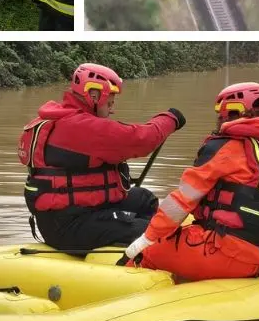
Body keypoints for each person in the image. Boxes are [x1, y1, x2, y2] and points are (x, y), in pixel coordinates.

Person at [124, 83, 259, 281]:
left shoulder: (226, 147)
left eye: (221, 115)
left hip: (224, 253)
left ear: (228, 113)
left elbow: (181, 202)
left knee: (146, 255)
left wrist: (145, 240)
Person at [19, 62, 185, 251]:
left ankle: (137, 246)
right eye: (111, 99)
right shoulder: (80, 127)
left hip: (68, 213)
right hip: (69, 226)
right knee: (154, 232)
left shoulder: (57, 118)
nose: (112, 105)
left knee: (143, 199)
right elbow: (141, 139)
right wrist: (170, 118)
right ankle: (148, 244)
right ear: (94, 94)